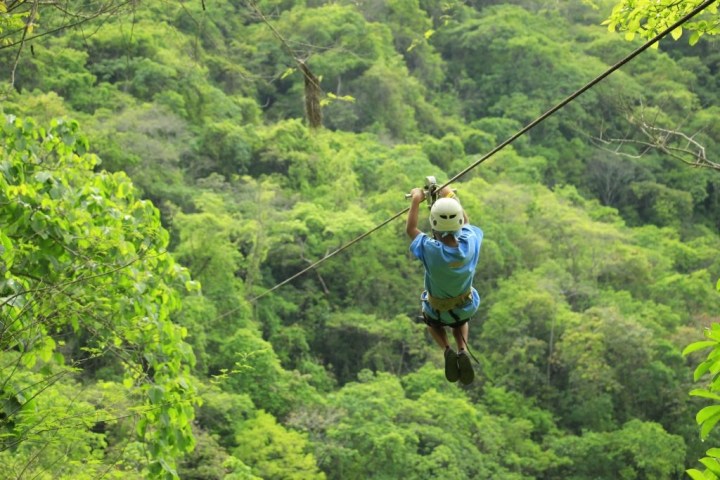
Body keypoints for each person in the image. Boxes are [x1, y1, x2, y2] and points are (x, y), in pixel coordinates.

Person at [406, 185, 483, 385]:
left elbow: (411, 230)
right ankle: (462, 349)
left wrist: (415, 200)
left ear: (433, 225)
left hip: (436, 311)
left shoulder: (431, 250)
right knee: (459, 321)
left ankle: (447, 349)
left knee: (432, 322)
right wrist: (450, 195)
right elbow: (465, 222)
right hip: (464, 306)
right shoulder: (470, 242)